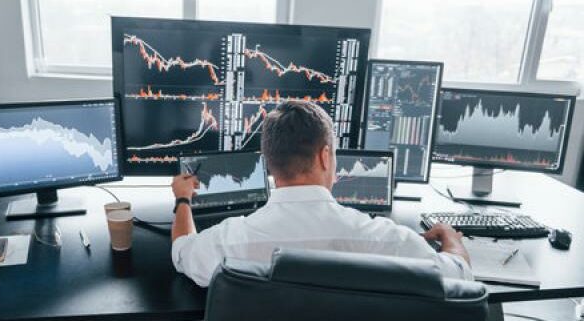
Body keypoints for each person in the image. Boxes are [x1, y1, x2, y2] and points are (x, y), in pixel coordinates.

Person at [171, 100, 471, 287]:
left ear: (269, 163)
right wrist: (451, 239)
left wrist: (183, 199)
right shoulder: (386, 238)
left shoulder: (230, 240)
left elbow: (182, 252)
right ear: (325, 156)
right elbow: (458, 276)